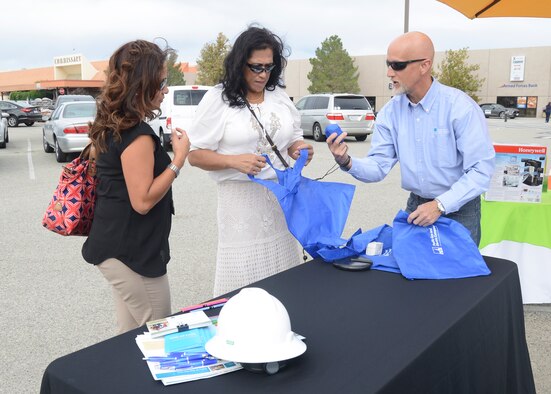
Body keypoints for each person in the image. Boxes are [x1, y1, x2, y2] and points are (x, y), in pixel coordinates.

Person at [327, 31, 495, 246]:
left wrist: (440, 205)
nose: (389, 72)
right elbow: (378, 166)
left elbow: (481, 170)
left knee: (457, 279)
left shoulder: (460, 108)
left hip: (459, 209)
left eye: (397, 65)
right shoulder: (390, 112)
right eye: (387, 64)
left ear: (424, 66)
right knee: (409, 274)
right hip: (417, 206)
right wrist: (347, 162)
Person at [187, 25, 314, 296]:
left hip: (280, 202)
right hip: (240, 206)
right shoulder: (218, 99)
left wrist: (299, 149)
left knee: (284, 284)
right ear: (239, 63)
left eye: (269, 67)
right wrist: (233, 161)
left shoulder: (278, 96)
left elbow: (292, 139)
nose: (263, 74)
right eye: (256, 67)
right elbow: (194, 155)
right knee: (243, 287)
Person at [82, 40, 190, 333]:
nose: (166, 89)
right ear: (143, 84)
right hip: (132, 255)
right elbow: (142, 201)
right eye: (162, 81)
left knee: (129, 339)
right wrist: (178, 160)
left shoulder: (114, 125)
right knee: (159, 334)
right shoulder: (136, 135)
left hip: (119, 250)